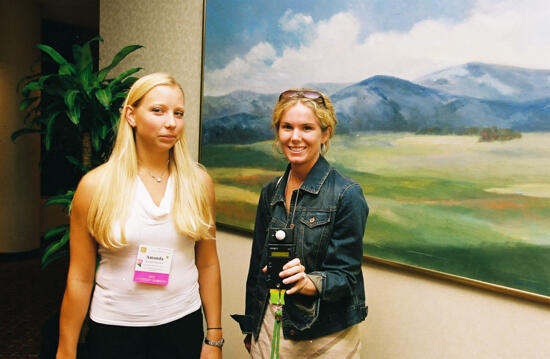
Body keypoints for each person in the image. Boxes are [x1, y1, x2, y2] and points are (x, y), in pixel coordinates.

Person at [56, 73, 223, 359]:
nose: (171, 122)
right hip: (115, 329)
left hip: (182, 324)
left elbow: (207, 263)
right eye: (158, 110)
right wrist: (66, 348)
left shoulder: (198, 182)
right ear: (131, 115)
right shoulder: (95, 186)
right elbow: (80, 277)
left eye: (178, 113)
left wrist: (214, 337)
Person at [234, 88, 369, 358]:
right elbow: (255, 267)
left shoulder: (347, 194)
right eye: (287, 127)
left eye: (307, 128)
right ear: (278, 132)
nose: (295, 137)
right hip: (270, 325)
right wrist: (251, 327)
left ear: (325, 133)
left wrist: (310, 282)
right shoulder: (270, 192)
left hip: (322, 333)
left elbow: (346, 276)